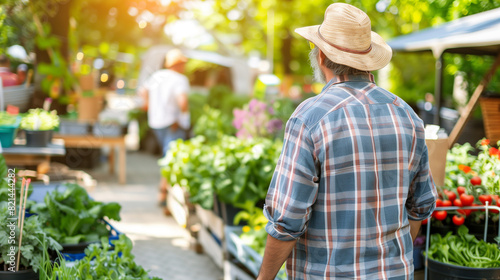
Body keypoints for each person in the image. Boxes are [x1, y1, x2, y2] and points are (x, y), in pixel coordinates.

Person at [258, 3, 437, 280]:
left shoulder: (310, 117)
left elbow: (286, 221)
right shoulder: (408, 116)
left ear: (320, 57)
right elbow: (420, 206)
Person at [139, 48, 191, 207]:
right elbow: (183, 102)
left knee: (167, 156)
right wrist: (181, 119)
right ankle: (164, 195)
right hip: (172, 124)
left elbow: (143, 91)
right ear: (179, 64)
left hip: (156, 123)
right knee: (171, 160)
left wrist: (147, 105)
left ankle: (166, 195)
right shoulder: (180, 79)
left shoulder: (157, 76)